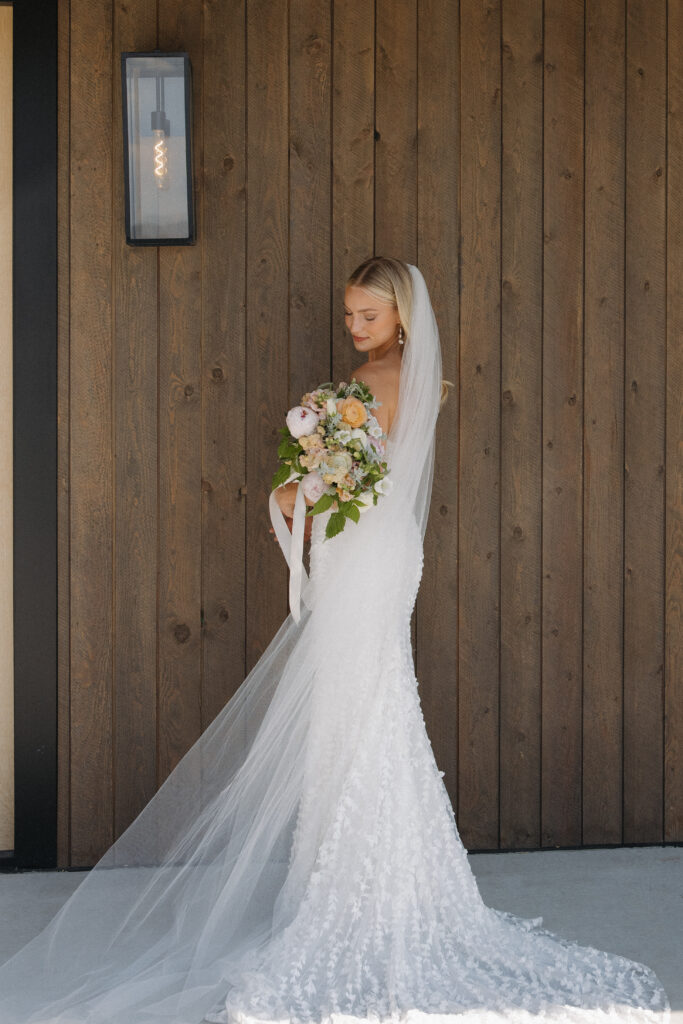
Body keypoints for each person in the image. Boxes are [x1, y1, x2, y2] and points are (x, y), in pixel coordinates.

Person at [0, 259, 670, 1024]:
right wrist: (315, 467)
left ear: (400, 318)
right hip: (382, 550)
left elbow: (336, 482)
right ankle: (365, 874)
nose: (354, 329)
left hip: (364, 556)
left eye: (368, 317)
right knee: (366, 701)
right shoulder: (417, 379)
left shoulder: (362, 389)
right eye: (350, 316)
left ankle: (361, 886)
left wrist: (294, 482)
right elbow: (360, 477)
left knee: (356, 700)